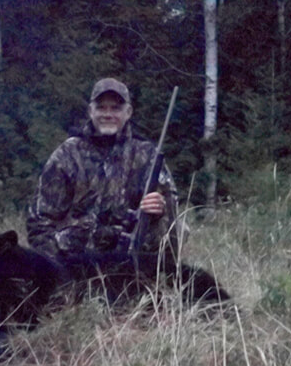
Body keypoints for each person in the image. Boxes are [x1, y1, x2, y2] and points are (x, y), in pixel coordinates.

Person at [27, 77, 183, 259]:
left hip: (132, 258)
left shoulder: (148, 156)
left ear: (129, 112)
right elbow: (39, 223)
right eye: (101, 107)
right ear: (90, 111)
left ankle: (158, 280)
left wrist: (159, 210)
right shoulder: (67, 155)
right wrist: (57, 265)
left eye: (116, 108)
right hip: (79, 261)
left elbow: (172, 218)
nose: (108, 114)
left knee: (179, 228)